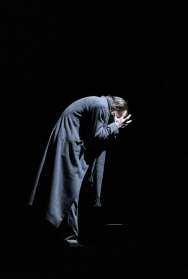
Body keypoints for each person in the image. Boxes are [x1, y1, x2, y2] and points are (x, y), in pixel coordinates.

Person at [28, 95, 131, 247]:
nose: (117, 121)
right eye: (117, 117)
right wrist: (115, 126)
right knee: (70, 189)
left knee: (69, 189)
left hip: (69, 144)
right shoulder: (101, 106)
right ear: (115, 109)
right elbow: (97, 136)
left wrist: (113, 127)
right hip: (68, 146)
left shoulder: (100, 104)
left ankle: (66, 236)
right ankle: (69, 238)